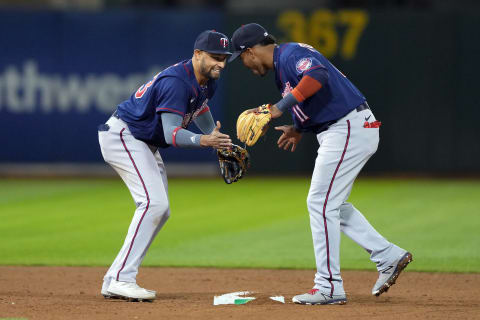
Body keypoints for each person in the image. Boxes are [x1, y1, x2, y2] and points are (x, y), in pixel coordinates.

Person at [229, 23, 412, 305]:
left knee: (320, 203)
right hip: (347, 127)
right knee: (331, 203)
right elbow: (312, 97)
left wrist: (278, 108)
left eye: (240, 57)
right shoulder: (283, 67)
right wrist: (298, 128)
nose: (243, 64)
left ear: (250, 51)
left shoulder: (289, 54)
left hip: (348, 127)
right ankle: (387, 254)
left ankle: (328, 286)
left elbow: (318, 75)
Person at [97, 30, 232, 301]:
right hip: (124, 135)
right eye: (215, 57)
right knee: (153, 204)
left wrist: (215, 140)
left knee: (162, 209)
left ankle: (115, 277)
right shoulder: (176, 82)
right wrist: (204, 140)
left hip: (142, 141)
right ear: (197, 54)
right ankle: (122, 278)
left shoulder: (207, 79)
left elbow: (199, 109)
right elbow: (172, 133)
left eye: (225, 58)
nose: (221, 63)